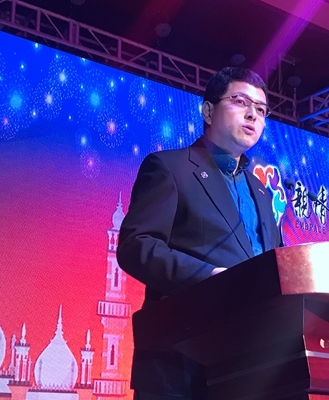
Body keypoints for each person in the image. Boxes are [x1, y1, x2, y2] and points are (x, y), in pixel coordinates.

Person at [117, 67, 282, 400]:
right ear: (208, 111)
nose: (253, 114)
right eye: (241, 102)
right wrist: (208, 276)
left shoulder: (263, 193)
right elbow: (137, 245)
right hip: (182, 364)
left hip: (251, 364)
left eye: (261, 110)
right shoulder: (170, 167)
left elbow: (275, 266)